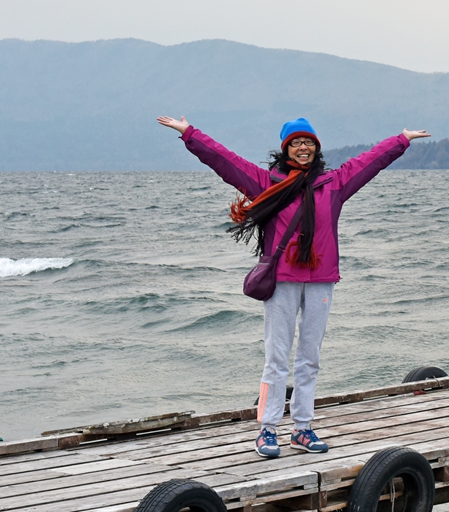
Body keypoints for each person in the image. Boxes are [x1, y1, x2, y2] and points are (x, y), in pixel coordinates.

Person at [157, 115, 430, 458]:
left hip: (321, 280)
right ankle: (267, 430)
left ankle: (302, 428)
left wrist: (400, 140)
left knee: (309, 358)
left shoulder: (335, 182)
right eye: (297, 143)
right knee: (276, 357)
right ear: (286, 148)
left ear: (317, 148)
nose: (304, 148)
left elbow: (370, 162)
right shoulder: (265, 182)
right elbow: (224, 160)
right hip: (283, 279)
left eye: (309, 142)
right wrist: (190, 134)